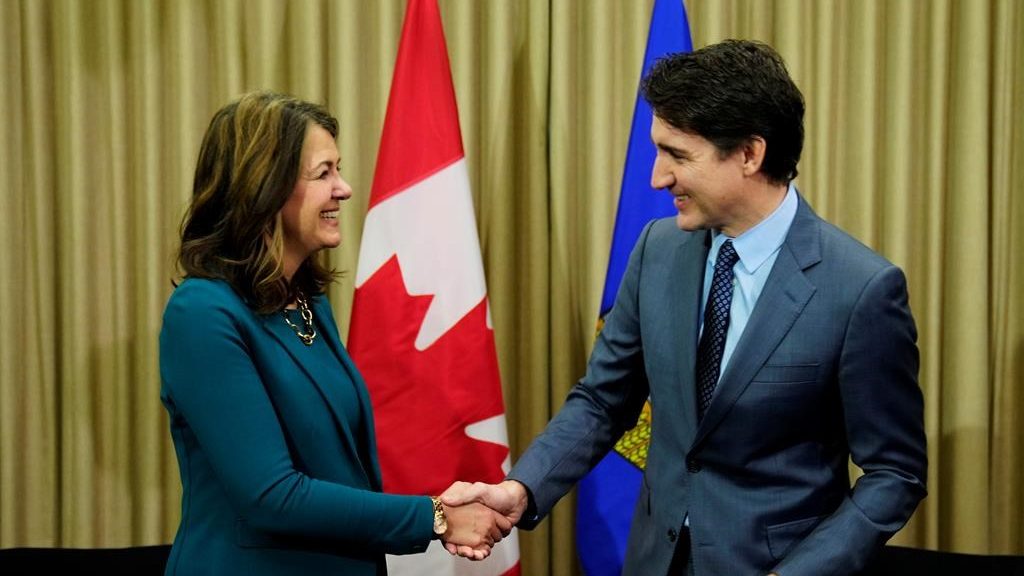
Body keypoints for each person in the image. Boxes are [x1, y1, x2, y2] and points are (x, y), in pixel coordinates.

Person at [443, 40, 927, 575]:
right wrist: (523, 487)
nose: (657, 177)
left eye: (678, 155)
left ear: (749, 154)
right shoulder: (657, 248)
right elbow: (604, 401)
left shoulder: (861, 288)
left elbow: (894, 473)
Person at [160, 91, 510, 576]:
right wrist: (435, 517)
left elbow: (338, 470)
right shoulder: (202, 314)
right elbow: (271, 495)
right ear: (265, 187)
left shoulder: (307, 301)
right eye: (323, 173)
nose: (344, 189)